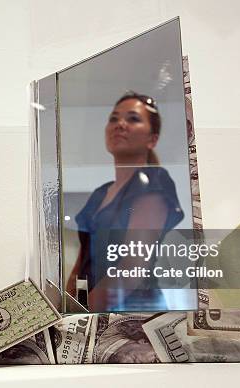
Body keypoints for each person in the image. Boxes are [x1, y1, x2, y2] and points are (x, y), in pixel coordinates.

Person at [66, 92, 184, 311]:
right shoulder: (99, 194)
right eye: (114, 118)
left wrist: (83, 314)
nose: (120, 124)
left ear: (152, 139)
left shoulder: (154, 181)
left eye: (133, 118)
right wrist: (64, 305)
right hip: (94, 314)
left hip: (136, 314)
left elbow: (132, 267)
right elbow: (80, 265)